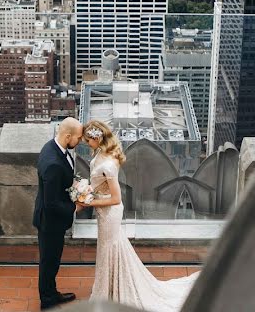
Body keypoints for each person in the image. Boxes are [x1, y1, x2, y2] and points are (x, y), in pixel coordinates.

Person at [80, 120, 199, 311]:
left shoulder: (109, 164)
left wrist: (89, 201)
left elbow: (116, 199)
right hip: (103, 211)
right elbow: (98, 184)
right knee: (107, 250)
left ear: (96, 138)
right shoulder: (100, 154)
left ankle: (110, 292)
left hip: (109, 212)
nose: (86, 144)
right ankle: (109, 289)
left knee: (108, 249)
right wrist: (87, 189)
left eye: (88, 141)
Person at [33, 117, 84, 310]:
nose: (79, 141)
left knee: (51, 259)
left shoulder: (52, 147)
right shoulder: (53, 163)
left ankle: (51, 293)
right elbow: (51, 203)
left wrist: (75, 186)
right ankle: (47, 301)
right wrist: (75, 208)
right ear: (68, 136)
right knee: (49, 261)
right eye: (78, 138)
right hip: (50, 222)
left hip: (51, 220)